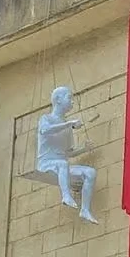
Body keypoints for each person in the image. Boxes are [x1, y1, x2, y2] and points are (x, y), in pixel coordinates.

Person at [37, 85, 98, 224]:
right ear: (58, 100)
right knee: (62, 164)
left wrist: (84, 148)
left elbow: (68, 153)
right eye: (69, 98)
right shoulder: (46, 118)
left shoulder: (67, 127)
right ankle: (66, 196)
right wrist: (69, 123)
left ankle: (85, 210)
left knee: (90, 172)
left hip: (61, 168)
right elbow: (45, 131)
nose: (72, 102)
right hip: (46, 165)